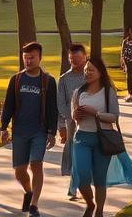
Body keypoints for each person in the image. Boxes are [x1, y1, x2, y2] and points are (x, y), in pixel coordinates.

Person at [0, 42, 59, 217]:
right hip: (19, 131)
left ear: (40, 57)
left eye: (32, 57)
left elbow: (51, 108)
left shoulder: (48, 81)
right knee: (19, 171)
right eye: (25, 57)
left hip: (39, 131)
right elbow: (8, 105)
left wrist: (52, 132)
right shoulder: (16, 79)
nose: (28, 60)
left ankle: (34, 205)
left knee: (36, 164)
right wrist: (4, 128)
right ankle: (28, 191)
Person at [70, 56, 124, 217]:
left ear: (100, 72)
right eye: (86, 70)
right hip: (82, 138)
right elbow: (74, 116)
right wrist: (76, 114)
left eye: (91, 70)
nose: (87, 73)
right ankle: (90, 203)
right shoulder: (78, 92)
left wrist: (96, 114)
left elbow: (114, 116)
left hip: (102, 140)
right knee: (81, 176)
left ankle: (99, 211)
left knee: (100, 179)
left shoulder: (108, 92)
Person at [57, 43, 88, 201]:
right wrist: (62, 125)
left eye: (77, 58)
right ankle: (73, 187)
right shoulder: (64, 79)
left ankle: (82, 186)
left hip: (91, 123)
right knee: (75, 154)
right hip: (71, 124)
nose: (74, 61)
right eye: (71, 59)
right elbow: (60, 104)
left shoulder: (91, 76)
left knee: (86, 155)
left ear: (85, 57)